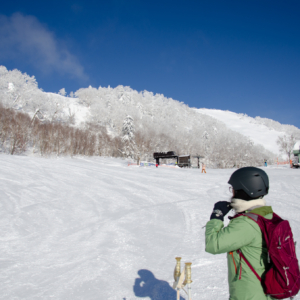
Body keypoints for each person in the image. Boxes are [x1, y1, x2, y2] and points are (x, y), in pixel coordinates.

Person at [205, 167, 273, 300]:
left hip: (250, 295)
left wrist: (216, 217)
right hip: (267, 292)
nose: (232, 193)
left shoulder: (246, 223)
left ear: (245, 190)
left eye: (234, 189)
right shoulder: (266, 215)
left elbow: (213, 244)